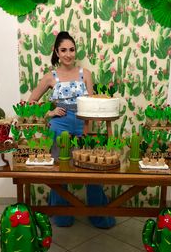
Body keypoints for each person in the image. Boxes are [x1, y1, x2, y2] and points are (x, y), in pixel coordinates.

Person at [29, 31, 116, 228]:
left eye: (72, 49)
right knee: (61, 170)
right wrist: (49, 113)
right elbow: (32, 102)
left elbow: (92, 105)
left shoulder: (85, 74)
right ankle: (61, 214)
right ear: (56, 52)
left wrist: (88, 130)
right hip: (59, 126)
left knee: (91, 170)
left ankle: (97, 214)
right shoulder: (50, 77)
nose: (68, 54)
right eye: (63, 50)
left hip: (82, 123)